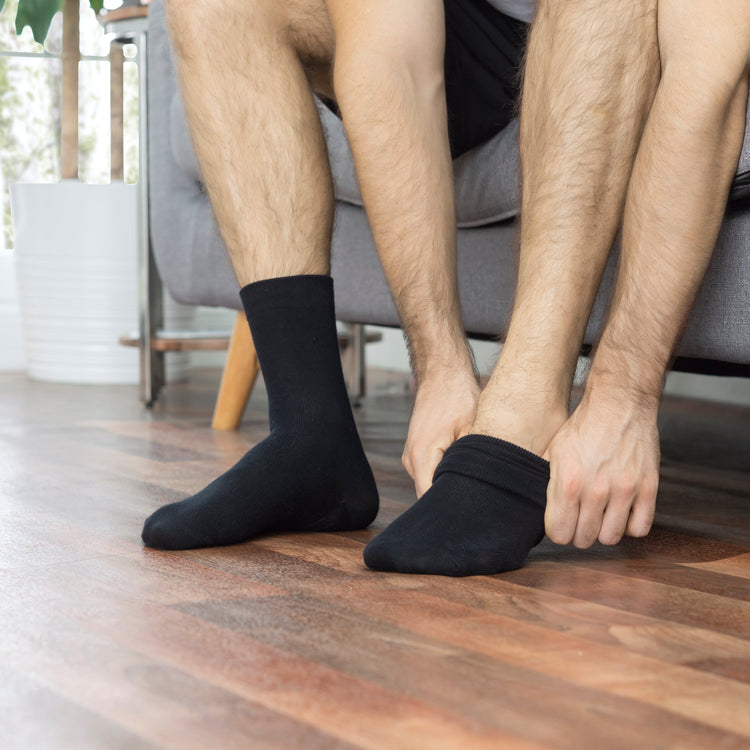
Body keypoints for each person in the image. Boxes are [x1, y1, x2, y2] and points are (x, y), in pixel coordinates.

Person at [142, 0, 750, 576]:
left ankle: (523, 416)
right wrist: (438, 367)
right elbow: (388, 50)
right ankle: (308, 436)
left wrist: (625, 397)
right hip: (489, 37)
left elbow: (710, 71)